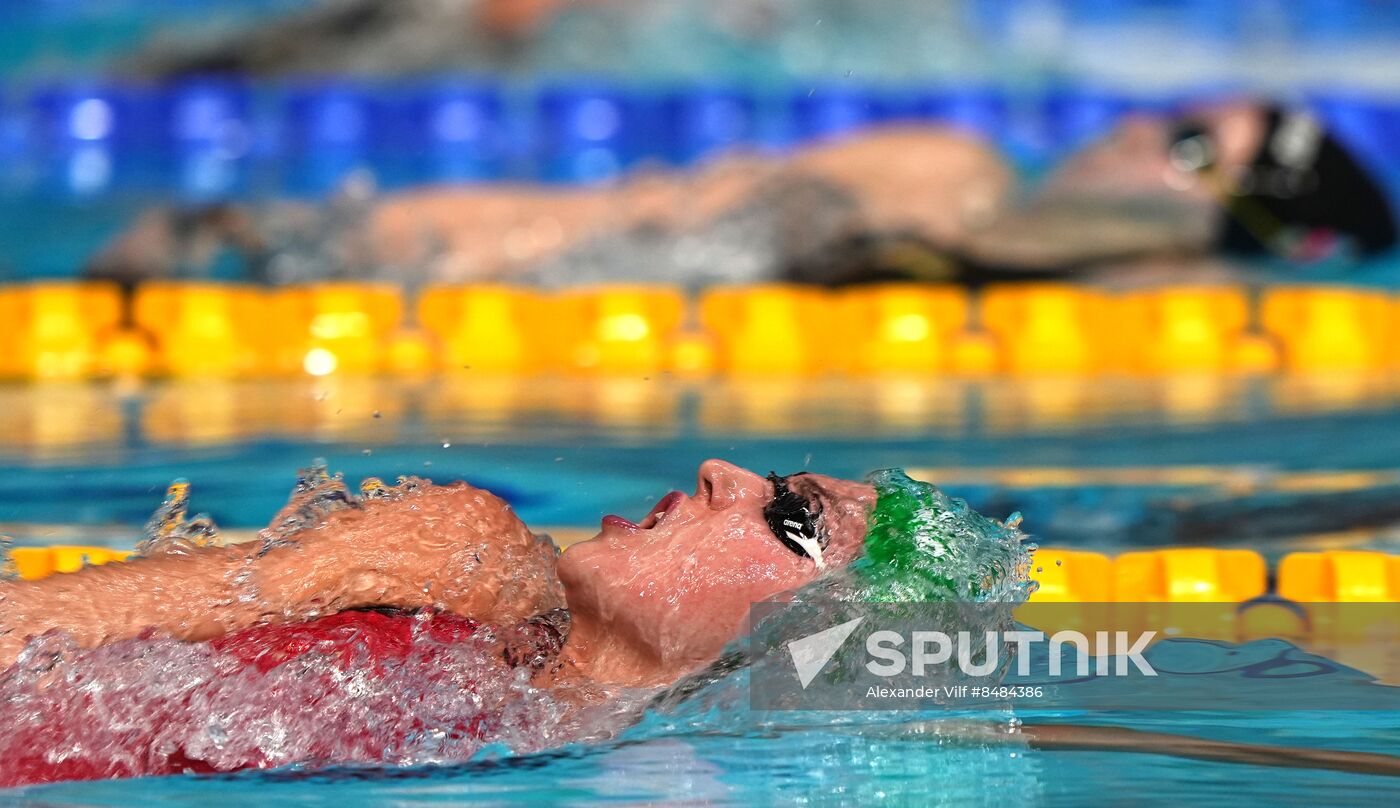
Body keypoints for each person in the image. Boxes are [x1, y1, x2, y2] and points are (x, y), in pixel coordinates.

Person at [2, 459, 1397, 786]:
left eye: (787, 514)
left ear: (811, 628)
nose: (724, 469)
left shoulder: (562, 717)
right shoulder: (466, 554)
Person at [86, 99, 1397, 292]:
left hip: (423, 258)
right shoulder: (955, 180)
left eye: (1177, 139)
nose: (1121, 126)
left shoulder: (953, 174)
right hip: (410, 260)